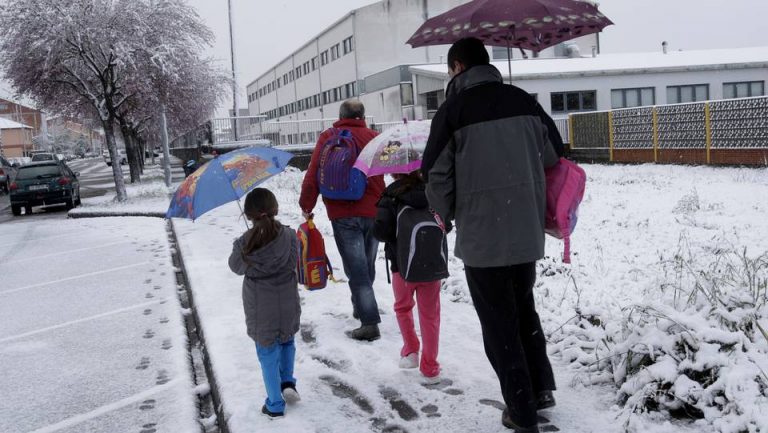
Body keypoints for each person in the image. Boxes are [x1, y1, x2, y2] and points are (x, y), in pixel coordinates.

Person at [421, 37, 563, 433]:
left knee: (499, 324)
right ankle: (540, 389)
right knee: (523, 309)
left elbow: (435, 175)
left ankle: (520, 410)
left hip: (484, 238)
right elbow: (554, 153)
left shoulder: (452, 112)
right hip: (526, 230)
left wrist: (445, 215)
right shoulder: (523, 100)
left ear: (457, 68)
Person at [299, 100, 385, 341]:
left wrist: (307, 205)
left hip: (343, 212)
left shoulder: (329, 136)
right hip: (373, 211)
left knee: (357, 268)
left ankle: (369, 322)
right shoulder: (374, 137)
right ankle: (362, 306)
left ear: (341, 115)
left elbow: (313, 172)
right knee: (366, 265)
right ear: (363, 115)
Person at [228, 188, 301, 419]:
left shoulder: (245, 244)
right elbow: (293, 260)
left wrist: (243, 244)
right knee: (287, 340)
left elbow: (235, 267)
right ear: (275, 209)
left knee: (267, 353)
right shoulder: (290, 236)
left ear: (249, 215)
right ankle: (287, 381)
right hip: (288, 301)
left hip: (261, 308)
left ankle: (275, 403)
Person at [373, 170, 446, 383]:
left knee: (403, 307)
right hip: (432, 265)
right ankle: (430, 367)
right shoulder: (432, 193)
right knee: (430, 315)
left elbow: (382, 232)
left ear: (395, 172)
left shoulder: (391, 195)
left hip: (402, 266)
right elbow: (446, 225)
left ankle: (411, 351)